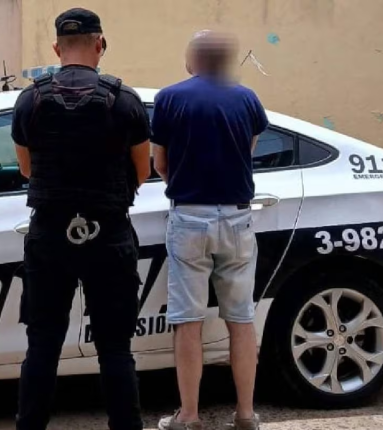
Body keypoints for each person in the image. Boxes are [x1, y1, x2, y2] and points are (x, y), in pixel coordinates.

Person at [11, 7, 152, 430]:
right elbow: (142, 172)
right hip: (108, 234)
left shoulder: (30, 99)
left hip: (50, 235)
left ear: (57, 49)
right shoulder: (124, 100)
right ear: (100, 44)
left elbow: (27, 169)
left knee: (42, 346)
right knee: (115, 349)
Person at [152, 30, 268, 430]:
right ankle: (246, 414)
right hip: (237, 219)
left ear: (193, 61)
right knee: (242, 319)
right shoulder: (247, 99)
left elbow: (160, 164)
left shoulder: (169, 98)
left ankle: (189, 415)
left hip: (189, 219)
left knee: (188, 320)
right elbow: (247, 152)